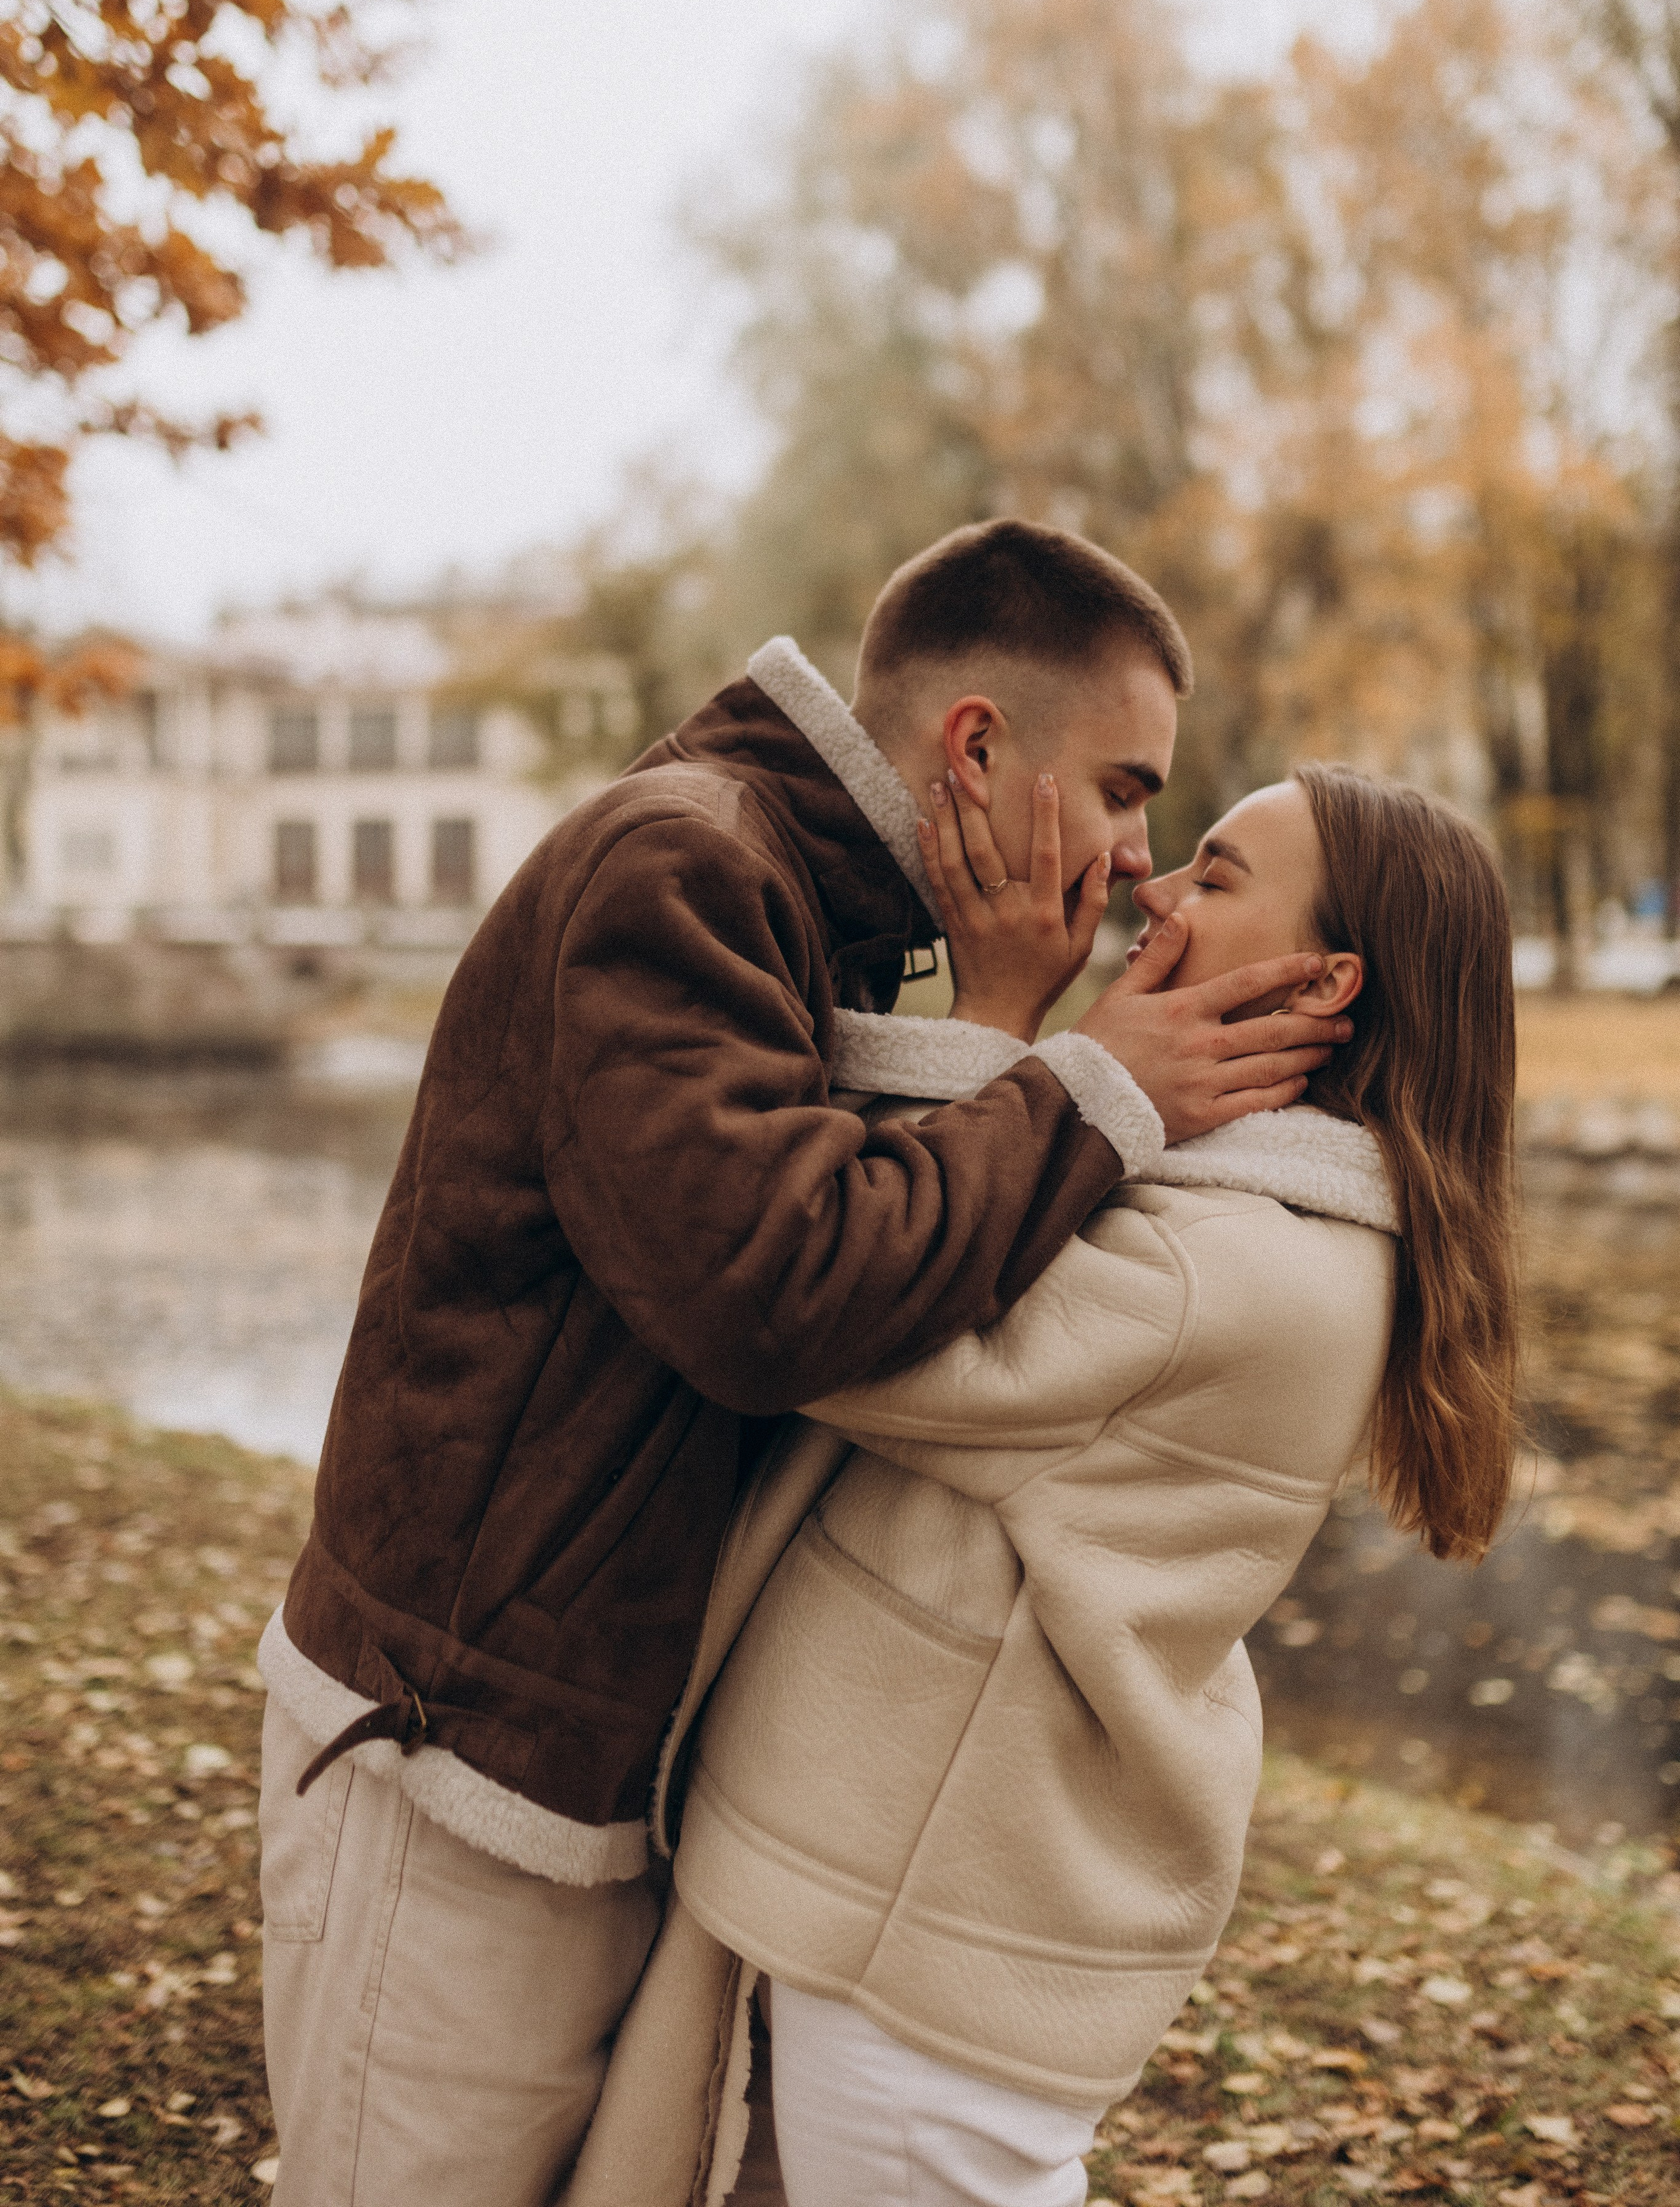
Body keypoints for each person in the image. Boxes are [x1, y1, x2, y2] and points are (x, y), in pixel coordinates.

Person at [254, 520, 1353, 2207]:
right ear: (977, 747)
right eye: (1129, 792)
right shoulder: (683, 870)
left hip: (611, 1750)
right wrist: (1081, 1084)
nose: (1137, 861)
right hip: (458, 1754)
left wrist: (1005, 1029)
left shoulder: (839, 913)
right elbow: (774, 1296)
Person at [566, 761, 1521, 2207]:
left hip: (930, 1934)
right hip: (907, 1892)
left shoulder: (1228, 1267)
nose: (1155, 887)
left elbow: (832, 1322)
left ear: (1323, 984)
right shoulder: (1244, 1210)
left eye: (1212, 873)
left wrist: (1004, 1025)